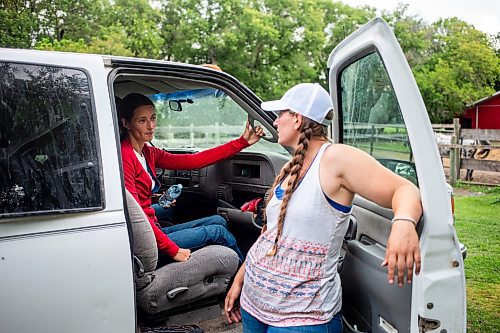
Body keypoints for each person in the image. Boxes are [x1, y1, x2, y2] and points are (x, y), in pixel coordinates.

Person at [224, 83, 422, 332]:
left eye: (279, 115)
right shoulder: (291, 166)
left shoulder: (335, 158)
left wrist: (404, 224)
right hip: (254, 305)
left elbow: (405, 190)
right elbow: (270, 234)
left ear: (296, 119)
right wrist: (240, 280)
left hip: (303, 317)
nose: (275, 123)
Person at [119, 92, 264, 263]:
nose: (151, 126)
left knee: (218, 220)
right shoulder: (126, 156)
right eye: (142, 121)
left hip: (154, 227)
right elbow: (137, 216)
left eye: (153, 118)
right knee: (218, 233)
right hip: (147, 239)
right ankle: (243, 282)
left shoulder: (147, 152)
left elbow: (193, 161)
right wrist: (172, 249)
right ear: (126, 123)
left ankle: (225, 270)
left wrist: (242, 142)